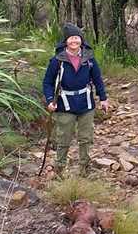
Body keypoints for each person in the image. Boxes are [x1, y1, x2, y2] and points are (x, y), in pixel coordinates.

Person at [42, 23, 109, 176]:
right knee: (63, 139)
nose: (74, 41)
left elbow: (97, 79)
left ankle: (84, 168)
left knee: (86, 138)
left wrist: (103, 98)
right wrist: (50, 99)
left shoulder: (89, 59)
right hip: (64, 105)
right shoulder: (57, 61)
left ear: (81, 40)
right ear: (66, 41)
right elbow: (47, 82)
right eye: (71, 38)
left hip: (86, 103)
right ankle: (59, 170)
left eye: (77, 38)